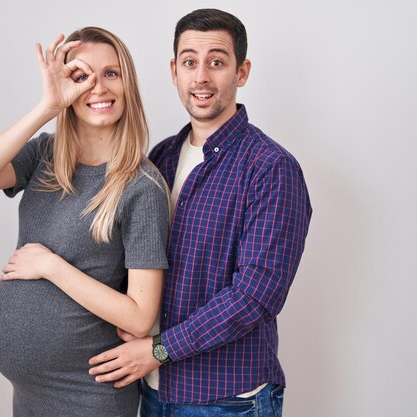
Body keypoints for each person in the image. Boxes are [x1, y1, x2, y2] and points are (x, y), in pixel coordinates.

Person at [88, 9, 312, 417]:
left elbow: (255, 296)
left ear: (241, 72)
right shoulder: (161, 159)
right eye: (190, 62)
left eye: (217, 62)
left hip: (227, 401)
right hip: (152, 391)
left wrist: (158, 350)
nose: (202, 77)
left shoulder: (271, 168)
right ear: (174, 71)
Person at [0, 27, 169, 417]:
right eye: (81, 75)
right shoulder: (45, 155)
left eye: (111, 73)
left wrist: (50, 267)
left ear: (128, 84)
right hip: (30, 395)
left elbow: (141, 317)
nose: (98, 87)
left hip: (88, 394)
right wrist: (47, 107)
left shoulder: (141, 187)